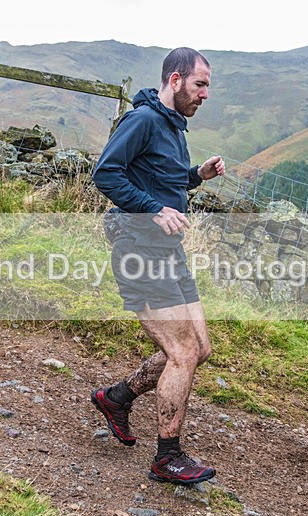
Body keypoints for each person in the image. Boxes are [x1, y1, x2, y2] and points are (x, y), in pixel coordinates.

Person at [89, 47, 225, 485]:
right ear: (175, 80)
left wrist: (195, 176)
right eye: (200, 84)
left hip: (169, 251)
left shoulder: (172, 125)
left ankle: (117, 398)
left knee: (199, 349)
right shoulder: (143, 119)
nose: (205, 94)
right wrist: (153, 210)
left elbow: (158, 176)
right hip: (139, 249)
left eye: (207, 86)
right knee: (182, 352)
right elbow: (106, 174)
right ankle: (167, 456)